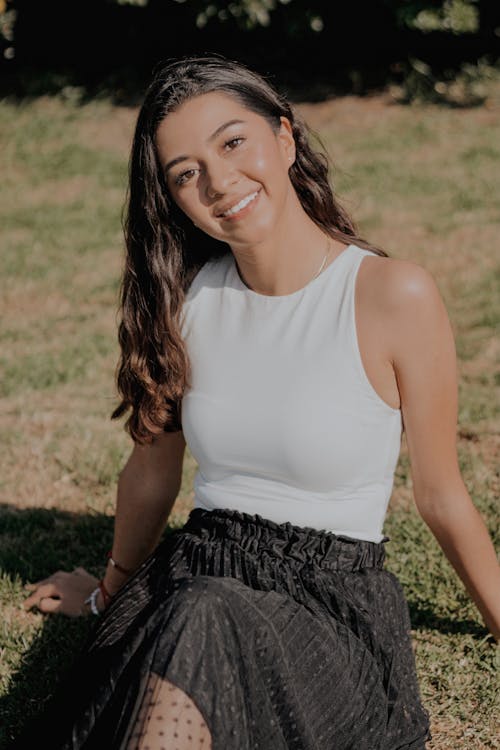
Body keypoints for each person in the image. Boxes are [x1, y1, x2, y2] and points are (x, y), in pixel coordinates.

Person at [18, 55, 499, 750]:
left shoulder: (393, 295)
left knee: (203, 619)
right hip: (192, 575)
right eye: (185, 173)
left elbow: (442, 495)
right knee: (199, 614)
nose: (218, 182)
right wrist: (108, 590)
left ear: (284, 137)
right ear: (171, 197)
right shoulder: (188, 302)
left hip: (328, 603)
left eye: (232, 142)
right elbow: (153, 469)